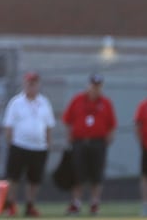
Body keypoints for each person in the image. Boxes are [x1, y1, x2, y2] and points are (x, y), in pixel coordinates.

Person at [1, 71, 55, 217]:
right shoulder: (16, 102)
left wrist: (48, 143)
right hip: (19, 145)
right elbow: (8, 125)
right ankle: (11, 204)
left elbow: (49, 125)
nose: (31, 86)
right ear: (25, 84)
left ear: (38, 85)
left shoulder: (44, 102)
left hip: (39, 147)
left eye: (34, 83)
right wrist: (10, 142)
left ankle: (30, 205)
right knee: (14, 177)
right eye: (29, 83)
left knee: (34, 179)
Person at [62, 73, 117, 216]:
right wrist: (70, 136)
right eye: (93, 86)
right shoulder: (78, 100)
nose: (95, 89)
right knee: (78, 174)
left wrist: (109, 139)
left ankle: (94, 203)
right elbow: (68, 120)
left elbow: (112, 124)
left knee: (96, 175)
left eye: (98, 86)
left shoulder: (106, 103)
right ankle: (76, 203)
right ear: (88, 85)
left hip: (98, 142)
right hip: (80, 141)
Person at [134, 95, 147, 216]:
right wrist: (141, 142)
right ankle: (146, 205)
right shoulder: (144, 105)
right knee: (145, 176)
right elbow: (137, 125)